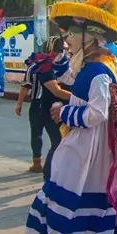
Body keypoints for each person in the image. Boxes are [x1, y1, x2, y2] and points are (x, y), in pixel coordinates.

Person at [19, 0, 117, 234]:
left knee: (65, 193)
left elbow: (98, 112)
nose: (67, 39)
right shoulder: (94, 64)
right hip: (93, 147)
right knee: (92, 196)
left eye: (72, 34)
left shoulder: (96, 68)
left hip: (85, 146)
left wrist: (64, 112)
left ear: (90, 38)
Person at [16, 36, 70, 177]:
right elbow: (27, 86)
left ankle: (39, 164)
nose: (61, 53)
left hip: (43, 106)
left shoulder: (36, 66)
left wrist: (19, 103)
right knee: (51, 137)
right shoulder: (48, 66)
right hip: (47, 106)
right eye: (60, 50)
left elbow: (25, 87)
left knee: (40, 135)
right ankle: (41, 165)